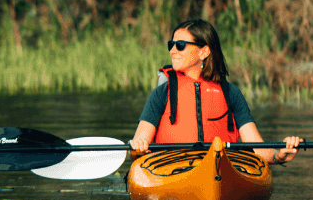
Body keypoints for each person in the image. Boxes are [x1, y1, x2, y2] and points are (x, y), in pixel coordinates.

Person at [129, 18, 301, 166]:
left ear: (204, 51)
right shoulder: (161, 94)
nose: (172, 50)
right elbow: (137, 147)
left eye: (180, 45)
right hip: (172, 170)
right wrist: (139, 147)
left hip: (220, 170)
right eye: (171, 45)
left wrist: (278, 156)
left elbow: (257, 146)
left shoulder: (230, 93)